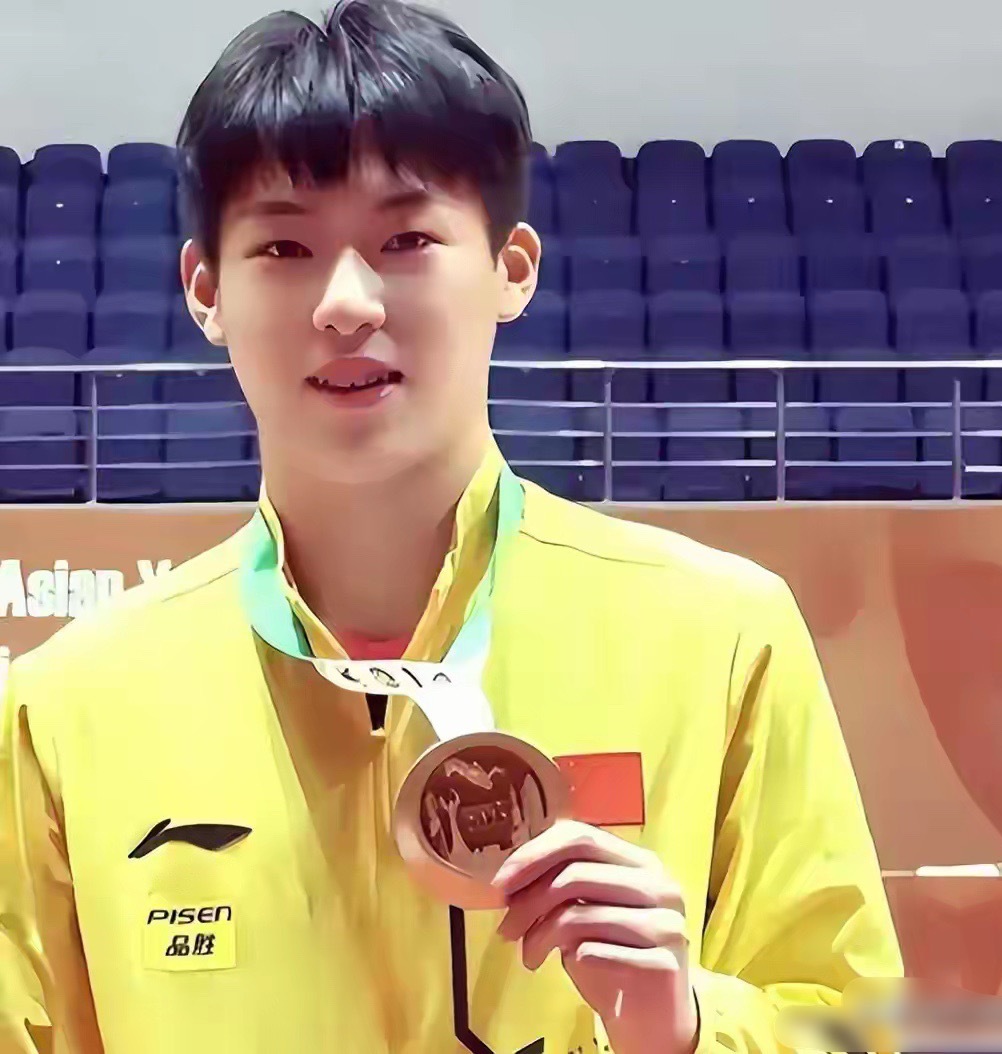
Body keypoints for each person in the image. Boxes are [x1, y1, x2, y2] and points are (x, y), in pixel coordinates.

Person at [0, 2, 902, 1052]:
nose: (346, 301)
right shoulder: (68, 709)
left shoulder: (722, 638)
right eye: (284, 245)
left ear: (512, 268)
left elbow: (852, 1027)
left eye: (407, 239)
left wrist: (693, 1030)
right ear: (206, 290)